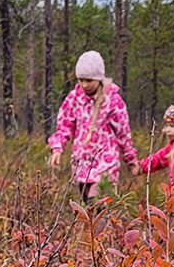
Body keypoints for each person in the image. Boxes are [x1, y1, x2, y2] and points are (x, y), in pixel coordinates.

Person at [49, 51, 138, 203]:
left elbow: (123, 133)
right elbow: (65, 125)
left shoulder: (113, 100)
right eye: (81, 80)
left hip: (106, 164)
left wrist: (131, 160)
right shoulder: (74, 98)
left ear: (99, 78)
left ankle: (102, 223)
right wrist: (57, 148)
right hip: (82, 162)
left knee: (96, 203)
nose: (84, 85)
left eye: (89, 80)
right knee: (87, 206)